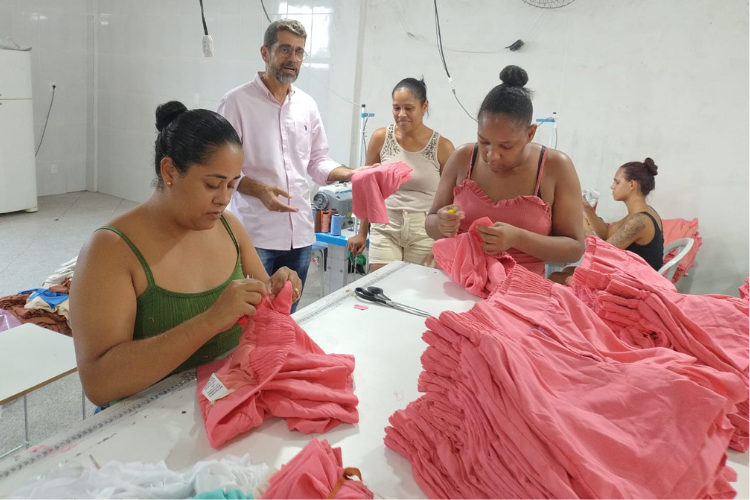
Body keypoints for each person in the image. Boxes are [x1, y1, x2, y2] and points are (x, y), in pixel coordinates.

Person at [70, 102, 302, 407]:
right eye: (212, 184)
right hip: (141, 428)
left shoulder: (230, 228)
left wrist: (280, 286)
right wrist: (209, 321)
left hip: (225, 404)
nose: (223, 200)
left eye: (232, 186)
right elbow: (99, 383)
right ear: (169, 171)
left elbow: (265, 310)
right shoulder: (109, 251)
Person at [217, 20, 355, 312]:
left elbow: (318, 161)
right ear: (265, 53)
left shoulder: (306, 105)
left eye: (300, 52)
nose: (293, 59)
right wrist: (259, 189)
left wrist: (352, 174)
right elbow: (220, 170)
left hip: (301, 236)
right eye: (285, 50)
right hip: (256, 235)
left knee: (286, 318)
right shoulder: (236, 103)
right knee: (252, 320)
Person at [425, 65, 585, 276]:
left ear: (530, 133)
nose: (492, 155)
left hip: (518, 293)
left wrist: (518, 238)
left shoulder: (555, 167)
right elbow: (431, 222)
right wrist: (442, 223)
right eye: (484, 142)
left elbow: (574, 248)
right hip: (456, 282)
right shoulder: (463, 158)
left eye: (506, 146)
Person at [347, 78, 455, 271]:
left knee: (414, 293)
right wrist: (362, 233)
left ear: (424, 106)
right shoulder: (381, 138)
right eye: (396, 108)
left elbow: (450, 200)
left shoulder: (443, 147)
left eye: (408, 108)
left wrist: (443, 241)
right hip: (385, 226)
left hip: (423, 230)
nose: (401, 114)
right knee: (380, 288)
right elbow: (369, 188)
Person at [582, 158, 664, 270]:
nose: (612, 186)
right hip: (633, 276)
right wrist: (587, 209)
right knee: (567, 272)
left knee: (558, 276)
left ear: (631, 184)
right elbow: (606, 233)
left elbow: (600, 253)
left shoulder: (639, 220)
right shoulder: (643, 212)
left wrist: (581, 221)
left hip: (638, 284)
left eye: (617, 182)